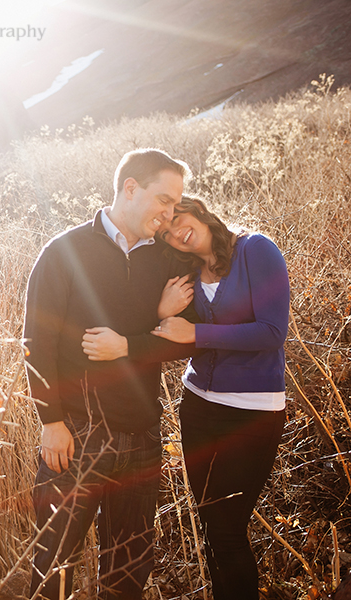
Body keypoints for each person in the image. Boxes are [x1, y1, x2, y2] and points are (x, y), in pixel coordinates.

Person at [23, 148, 199, 599]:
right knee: (52, 570)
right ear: (130, 188)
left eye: (176, 204)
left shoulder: (166, 260)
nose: (169, 213)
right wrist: (51, 422)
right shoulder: (64, 252)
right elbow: (36, 344)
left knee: (127, 577)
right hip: (76, 437)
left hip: (141, 437)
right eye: (163, 199)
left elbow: (188, 340)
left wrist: (130, 344)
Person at [148, 196, 290, 599]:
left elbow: (271, 332)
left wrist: (197, 334)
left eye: (177, 218)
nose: (176, 232)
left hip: (252, 413)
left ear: (197, 208)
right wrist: (162, 311)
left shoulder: (255, 250)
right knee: (211, 526)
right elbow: (168, 334)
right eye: (166, 233)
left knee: (227, 530)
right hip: (197, 407)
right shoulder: (188, 273)